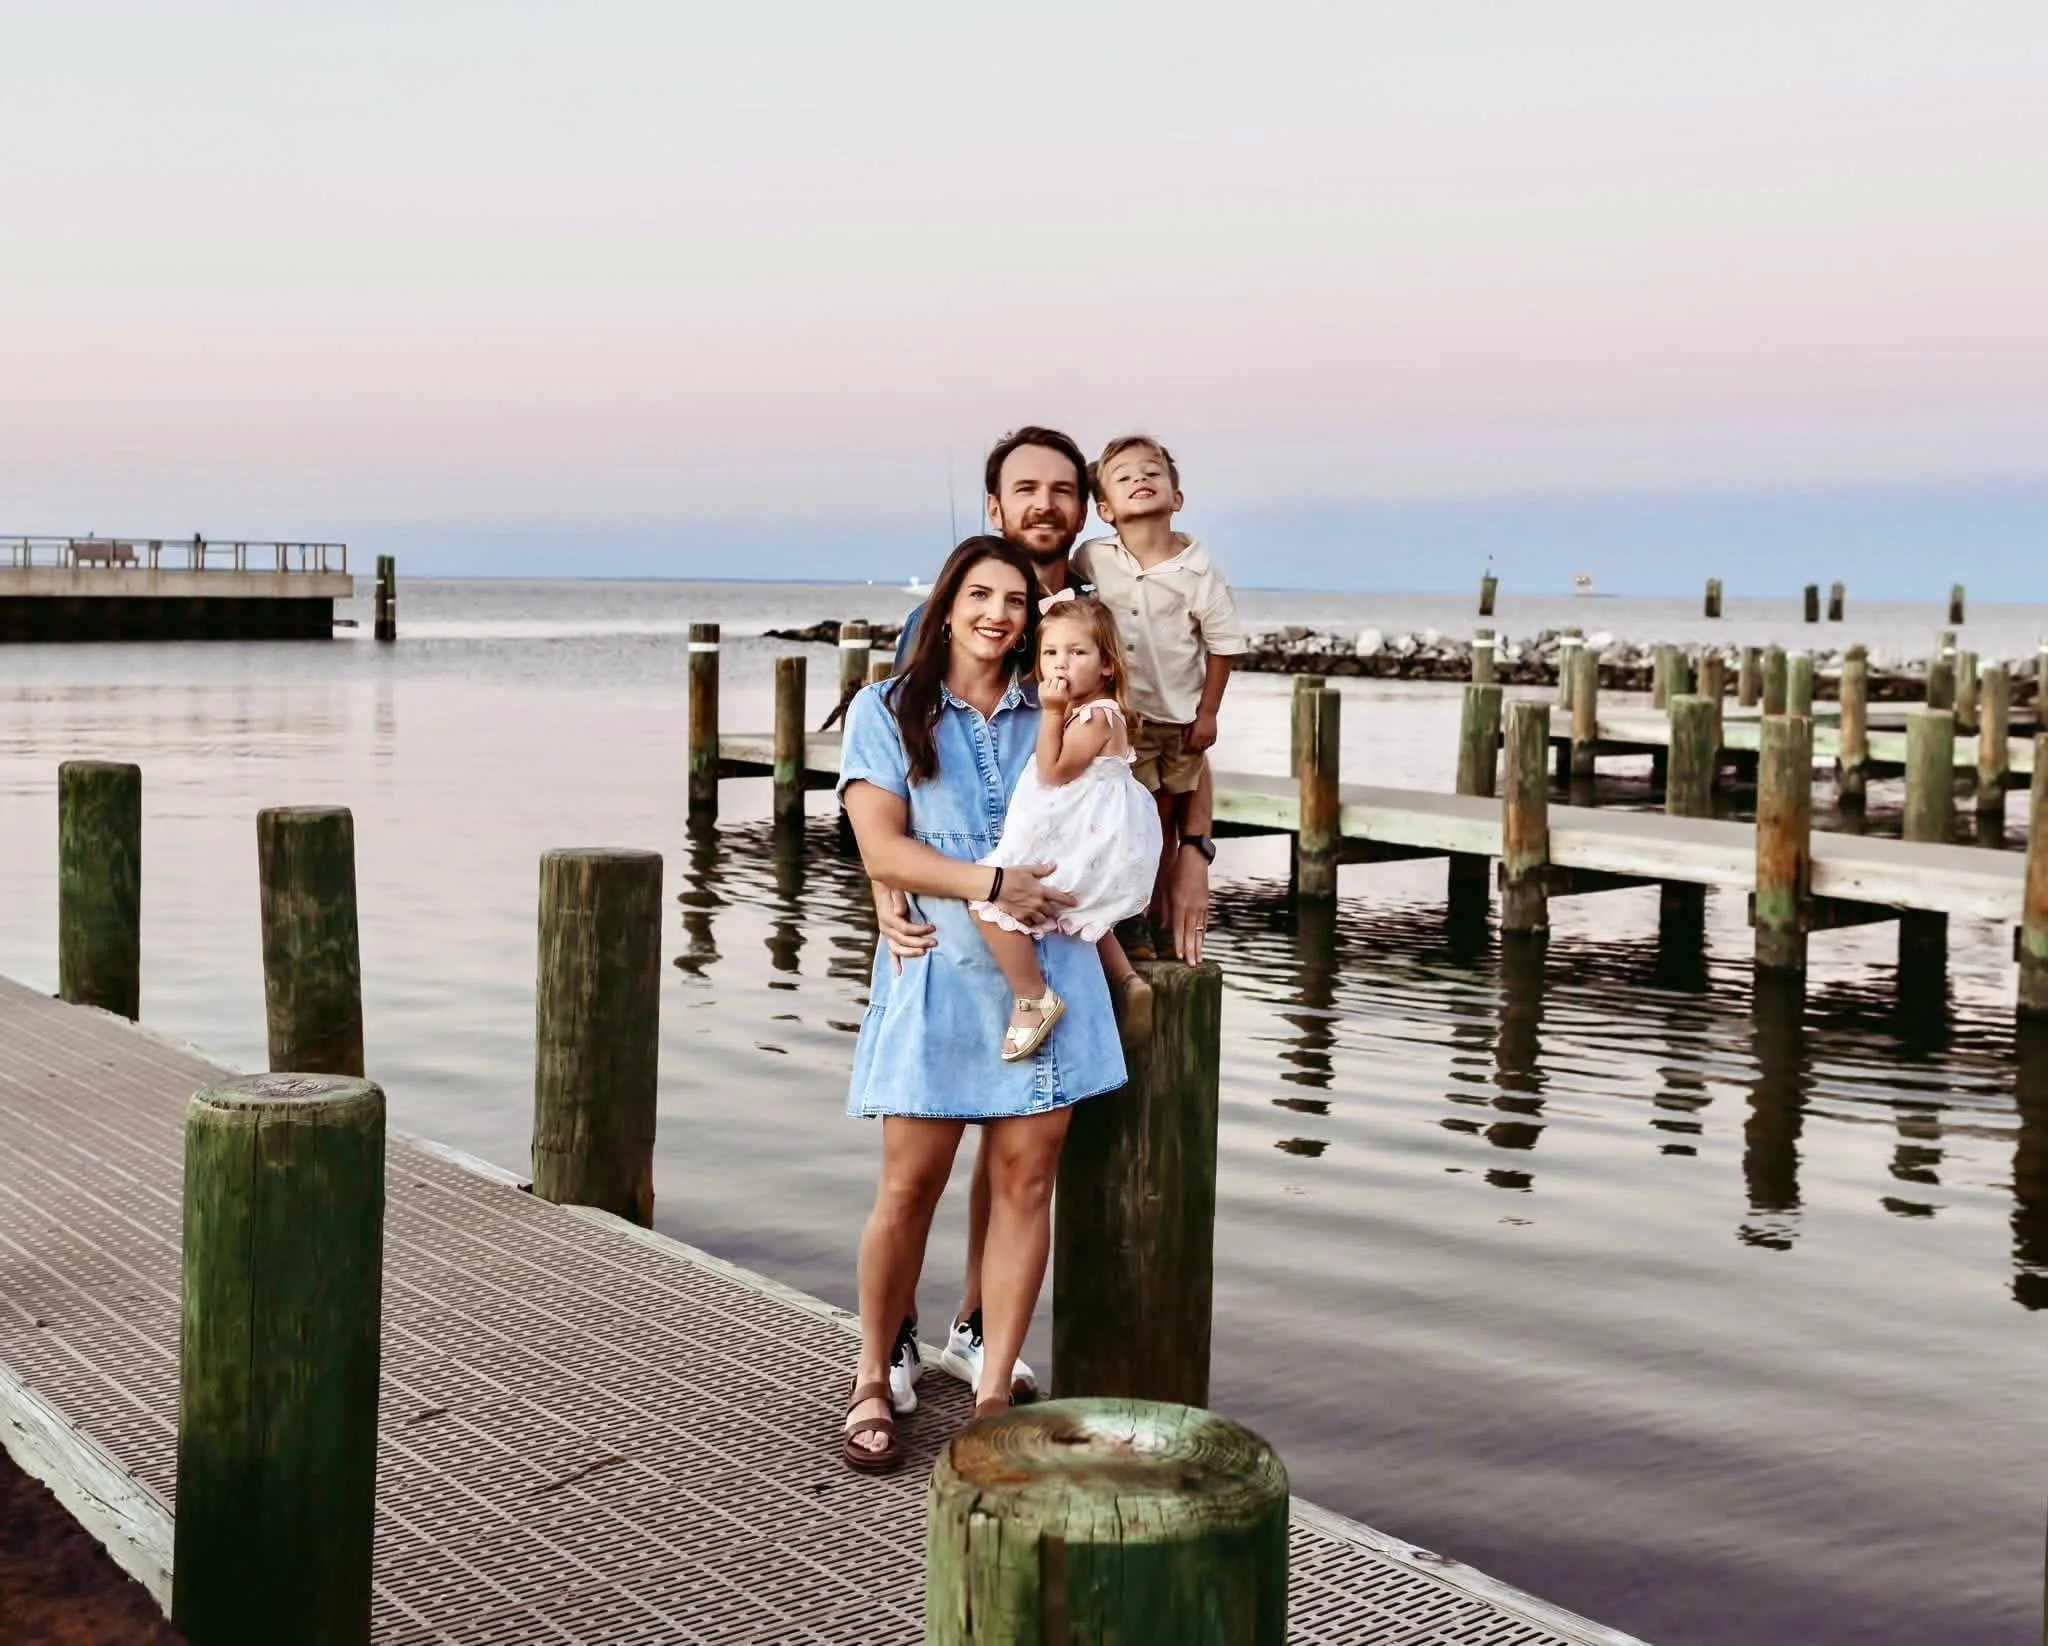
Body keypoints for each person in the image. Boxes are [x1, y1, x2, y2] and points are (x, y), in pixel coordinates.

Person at [874, 427, 1220, 1414]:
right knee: (927, 1142)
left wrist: (1192, 850)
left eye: (1063, 489)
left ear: (1087, 506)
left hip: (1071, 894)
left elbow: (1175, 727)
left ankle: (979, 1325)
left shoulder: (1101, 601)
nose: (1045, 503)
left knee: (1023, 1136)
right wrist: (885, 882)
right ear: (993, 507)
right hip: (963, 902)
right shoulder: (957, 609)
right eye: (1024, 489)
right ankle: (890, 1337)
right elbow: (894, 752)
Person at [836, 536, 1127, 1472]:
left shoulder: (1062, 709)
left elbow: (1112, 815)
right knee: (908, 1187)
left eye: (1016, 599)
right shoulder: (889, 711)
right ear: (948, 603)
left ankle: (993, 1387)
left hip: (1052, 982)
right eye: (980, 594)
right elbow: (883, 848)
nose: (999, 613)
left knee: (1024, 1187)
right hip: (935, 974)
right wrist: (987, 878)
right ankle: (875, 1374)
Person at [968, 591, 1162, 1060]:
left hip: (1084, 842)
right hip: (1090, 838)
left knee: (986, 900)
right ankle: (1127, 981)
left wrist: (1051, 711)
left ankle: (1033, 997)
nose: (1061, 664)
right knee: (1083, 921)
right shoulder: (1093, 714)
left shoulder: (1096, 716)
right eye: (1051, 652)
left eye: (1077, 653)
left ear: (1107, 666)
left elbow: (1054, 771)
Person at [1076, 435, 1244, 939]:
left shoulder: (1199, 572)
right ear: (1105, 508)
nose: (1140, 480)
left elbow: (1223, 645)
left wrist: (1208, 713)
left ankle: (1153, 916)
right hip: (1124, 719)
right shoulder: (1093, 558)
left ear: (1177, 497)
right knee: (1128, 819)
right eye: (1124, 477)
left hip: (1178, 720)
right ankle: (1124, 917)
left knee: (1165, 823)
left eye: (1152, 472)